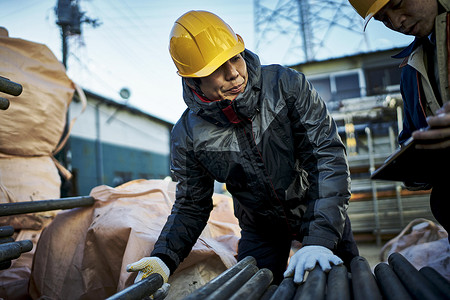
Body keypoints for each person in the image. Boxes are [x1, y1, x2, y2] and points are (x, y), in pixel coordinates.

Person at [126, 10, 359, 286]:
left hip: (319, 209)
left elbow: (326, 158)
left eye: (235, 57)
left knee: (348, 285)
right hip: (260, 229)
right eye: (216, 69)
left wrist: (320, 238)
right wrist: (163, 258)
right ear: (192, 80)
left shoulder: (286, 86)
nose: (234, 73)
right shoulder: (188, 134)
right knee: (252, 290)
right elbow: (191, 205)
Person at [349, 0, 450, 235]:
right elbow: (411, 133)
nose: (396, 22)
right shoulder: (410, 68)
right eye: (383, 19)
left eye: (397, 3)